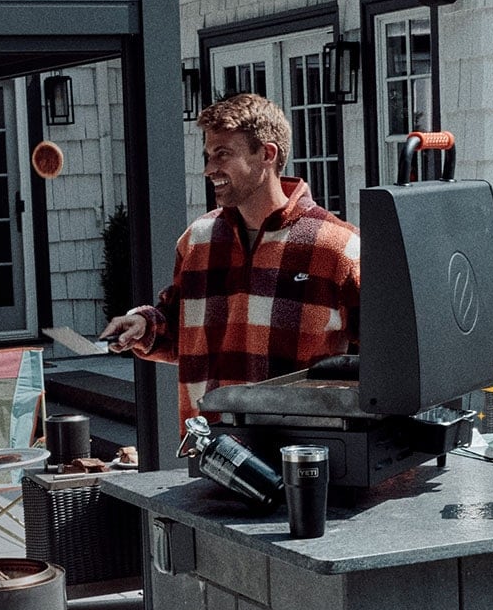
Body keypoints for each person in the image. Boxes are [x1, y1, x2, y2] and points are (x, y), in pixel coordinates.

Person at [101, 92, 361, 431]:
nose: (210, 169)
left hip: (303, 454)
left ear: (267, 154)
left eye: (222, 154)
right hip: (211, 448)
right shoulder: (198, 239)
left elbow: (380, 359)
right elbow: (181, 326)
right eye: (208, 155)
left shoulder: (337, 246)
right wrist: (144, 326)